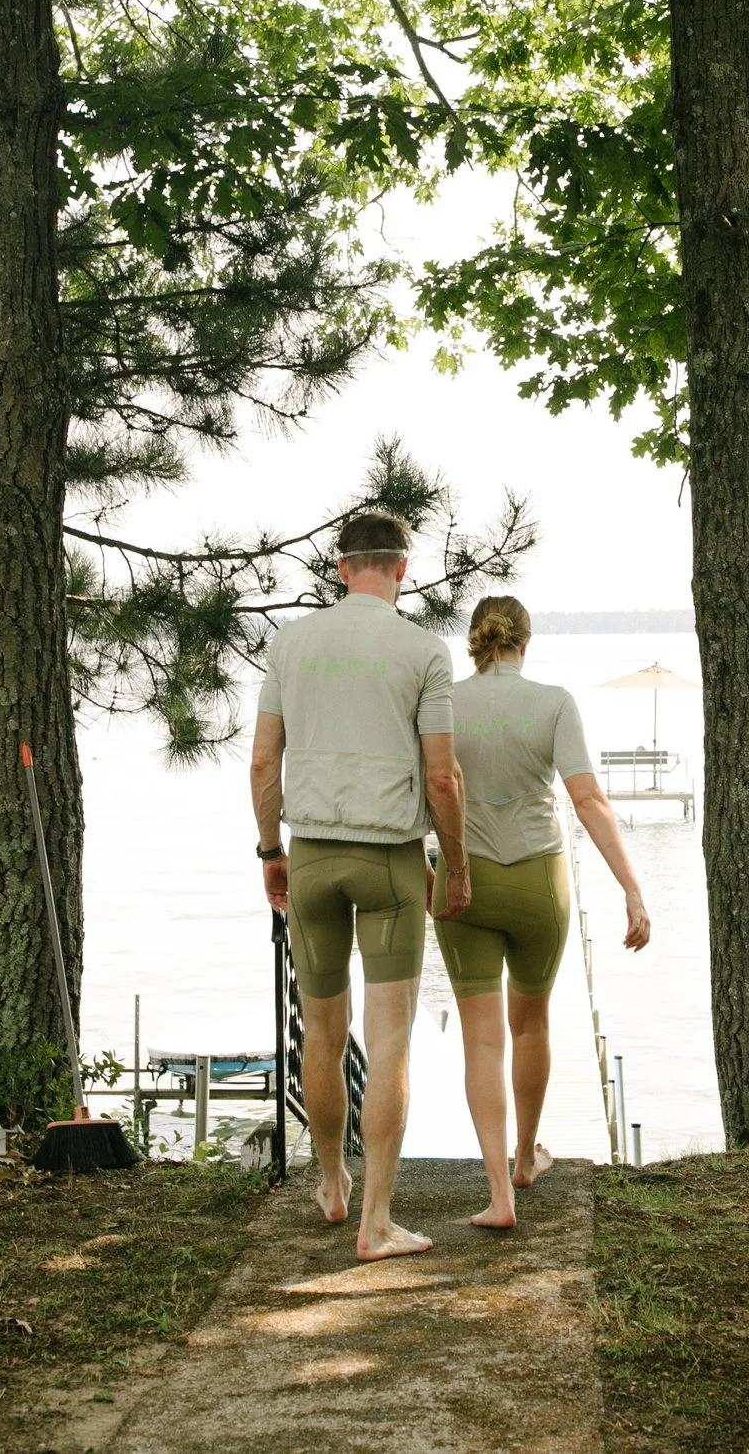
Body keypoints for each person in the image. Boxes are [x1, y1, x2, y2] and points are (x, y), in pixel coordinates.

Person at [249, 511, 471, 1261]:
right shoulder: (423, 651)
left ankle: (331, 1182)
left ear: (341, 568)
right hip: (390, 863)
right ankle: (376, 1223)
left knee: (320, 1032)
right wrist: (456, 864)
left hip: (311, 856)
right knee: (390, 1041)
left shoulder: (290, 643)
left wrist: (271, 851)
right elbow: (442, 776)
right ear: (402, 569)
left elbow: (263, 764)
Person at [438, 594, 650, 1229]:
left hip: (464, 881)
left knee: (482, 1039)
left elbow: (427, 789)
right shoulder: (554, 702)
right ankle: (526, 1156)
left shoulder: (442, 702)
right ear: (525, 644)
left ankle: (497, 1194)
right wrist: (631, 889)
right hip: (538, 881)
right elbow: (588, 800)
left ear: (474, 642)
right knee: (530, 1024)